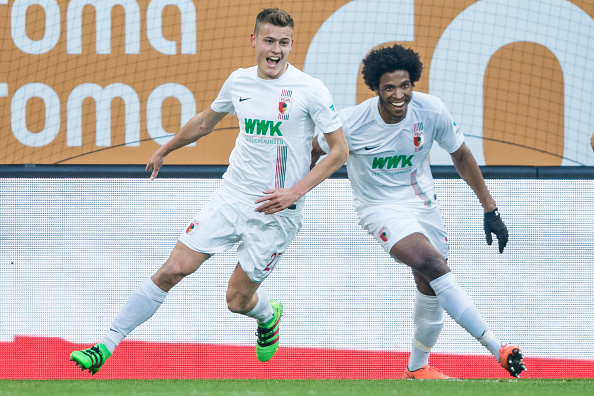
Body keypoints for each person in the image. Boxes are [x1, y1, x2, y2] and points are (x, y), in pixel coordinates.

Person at [70, 8, 348, 374]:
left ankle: (267, 315)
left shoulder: (310, 90)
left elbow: (340, 150)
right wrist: (165, 149)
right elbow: (204, 122)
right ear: (254, 41)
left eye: (283, 43)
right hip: (230, 198)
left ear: (291, 45)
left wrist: (294, 192)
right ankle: (105, 346)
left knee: (236, 301)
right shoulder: (239, 82)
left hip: (276, 213)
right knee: (171, 270)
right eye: (268, 41)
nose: (275, 50)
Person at [312, 44, 526, 379]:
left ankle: (417, 367)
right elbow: (314, 151)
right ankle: (498, 348)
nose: (399, 95)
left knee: (431, 284)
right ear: (376, 88)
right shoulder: (351, 122)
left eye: (405, 85)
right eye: (389, 88)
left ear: (413, 83)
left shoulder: (431, 110)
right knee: (432, 263)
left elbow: (461, 155)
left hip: (423, 204)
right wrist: (291, 197)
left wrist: (490, 209)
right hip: (378, 208)